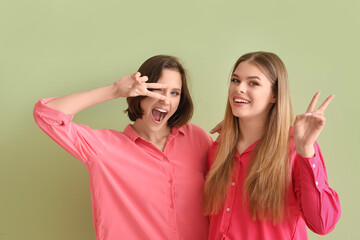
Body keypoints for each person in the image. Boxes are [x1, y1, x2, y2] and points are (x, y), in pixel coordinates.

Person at [33, 55, 212, 240]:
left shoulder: (196, 138)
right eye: (157, 90)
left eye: (175, 93)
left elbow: (231, 186)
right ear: (140, 92)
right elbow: (46, 115)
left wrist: (237, 130)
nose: (165, 100)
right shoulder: (104, 149)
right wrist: (115, 90)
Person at [203, 51, 341, 240]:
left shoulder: (295, 147)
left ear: (275, 96)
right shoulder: (218, 149)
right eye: (235, 80)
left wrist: (306, 151)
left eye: (253, 83)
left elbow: (322, 224)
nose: (239, 88)